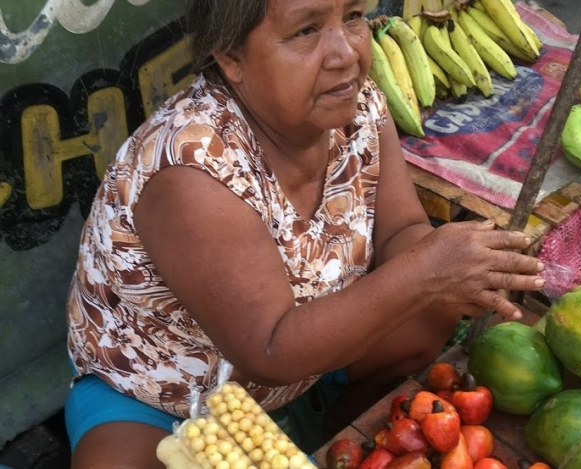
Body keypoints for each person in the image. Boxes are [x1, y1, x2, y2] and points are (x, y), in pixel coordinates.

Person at [63, 0, 546, 467]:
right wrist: (425, 271)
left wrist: (459, 270)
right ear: (231, 55)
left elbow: (401, 229)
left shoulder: (357, 109)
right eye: (306, 30)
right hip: (167, 390)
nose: (346, 54)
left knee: (435, 307)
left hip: (312, 345)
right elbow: (270, 349)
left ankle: (337, 429)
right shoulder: (191, 170)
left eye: (354, 17)